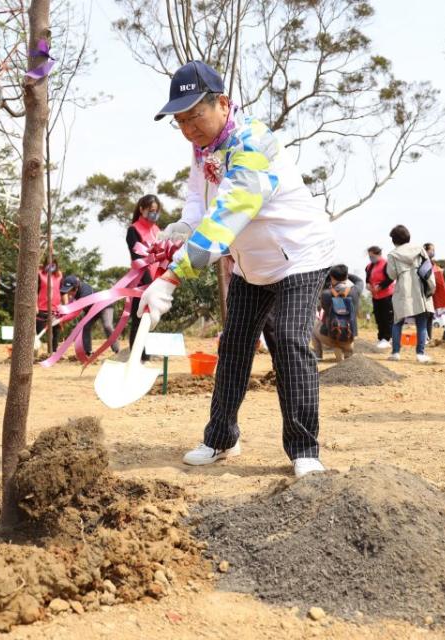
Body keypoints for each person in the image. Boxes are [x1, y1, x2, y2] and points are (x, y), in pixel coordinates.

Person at [140, 61, 335, 478]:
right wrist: (183, 226)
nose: (189, 129)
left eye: (195, 116)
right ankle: (221, 438)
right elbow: (200, 199)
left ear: (223, 103)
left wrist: (172, 277)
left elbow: (229, 214)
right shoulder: (202, 147)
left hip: (298, 256)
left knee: (286, 336)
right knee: (233, 345)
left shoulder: (253, 145)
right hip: (251, 265)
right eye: (180, 121)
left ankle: (304, 448)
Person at [385, 225, 433, 363]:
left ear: (394, 240)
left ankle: (395, 353)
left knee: (398, 321)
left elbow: (392, 275)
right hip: (419, 287)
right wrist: (431, 287)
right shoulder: (420, 249)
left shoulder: (392, 254)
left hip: (403, 288)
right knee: (422, 322)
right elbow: (428, 269)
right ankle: (420, 354)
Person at [126, 194, 162, 362]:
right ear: (142, 209)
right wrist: (149, 283)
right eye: (150, 210)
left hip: (157, 280)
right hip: (141, 282)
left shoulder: (157, 230)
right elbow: (136, 258)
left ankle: (145, 356)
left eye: (156, 211)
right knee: (138, 318)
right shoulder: (133, 230)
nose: (153, 214)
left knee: (150, 317)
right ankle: (137, 357)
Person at [60, 275, 120, 356]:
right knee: (85, 326)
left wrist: (62, 319)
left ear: (76, 287)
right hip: (92, 310)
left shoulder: (85, 290)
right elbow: (69, 306)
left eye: (70, 291)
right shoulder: (74, 295)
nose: (69, 294)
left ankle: (116, 350)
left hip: (104, 305)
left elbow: (75, 310)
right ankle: (88, 352)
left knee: (107, 326)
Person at [311, 264, 359, 361]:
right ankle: (347, 352)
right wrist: (345, 274)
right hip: (349, 337)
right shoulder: (355, 291)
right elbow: (359, 281)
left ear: (331, 277)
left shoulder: (326, 294)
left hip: (331, 338)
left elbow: (322, 309)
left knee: (313, 326)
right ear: (346, 276)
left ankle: (318, 355)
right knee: (350, 326)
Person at [364, 245, 394, 349]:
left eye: (372, 256)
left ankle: (387, 338)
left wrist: (381, 286)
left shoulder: (386, 264)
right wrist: (367, 284)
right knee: (379, 318)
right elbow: (367, 278)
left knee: (387, 318)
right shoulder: (369, 266)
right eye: (369, 256)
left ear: (379, 254)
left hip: (386, 295)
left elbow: (391, 278)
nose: (371, 258)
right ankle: (381, 338)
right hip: (375, 296)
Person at [422, 242, 445, 342]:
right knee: (424, 316)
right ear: (425, 250)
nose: (433, 252)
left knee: (430, 316)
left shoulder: (433, 263)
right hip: (424, 293)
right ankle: (423, 337)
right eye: (431, 250)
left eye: (433, 250)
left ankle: (428, 337)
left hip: (432, 294)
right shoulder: (422, 262)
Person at [36, 260, 63, 352]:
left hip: (56, 309)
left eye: (53, 264)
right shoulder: (40, 275)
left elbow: (63, 292)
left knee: (56, 332)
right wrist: (35, 306)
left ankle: (53, 352)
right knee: (40, 333)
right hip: (42, 309)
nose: (51, 266)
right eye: (48, 264)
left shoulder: (59, 276)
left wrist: (65, 306)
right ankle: (37, 352)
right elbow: (35, 291)